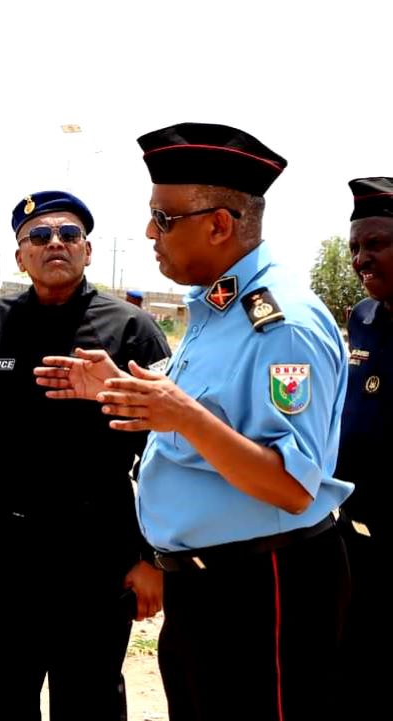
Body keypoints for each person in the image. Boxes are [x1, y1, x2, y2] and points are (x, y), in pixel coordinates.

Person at [35, 123, 351, 721]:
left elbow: (291, 485)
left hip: (264, 585)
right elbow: (204, 419)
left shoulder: (281, 323)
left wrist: (182, 414)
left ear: (219, 223)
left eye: (164, 218)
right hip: (202, 586)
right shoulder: (215, 309)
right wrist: (131, 395)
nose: (151, 233)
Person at [0, 190, 170, 720]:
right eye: (39, 237)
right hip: (5, 551)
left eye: (69, 235)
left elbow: (167, 448)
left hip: (94, 553)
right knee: (1, 696)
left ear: (88, 251)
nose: (55, 245)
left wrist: (151, 556)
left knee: (88, 699)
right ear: (20, 257)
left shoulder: (131, 330)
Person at [334, 176, 393, 719]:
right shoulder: (363, 318)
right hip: (356, 542)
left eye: (376, 244)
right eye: (355, 246)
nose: (360, 258)